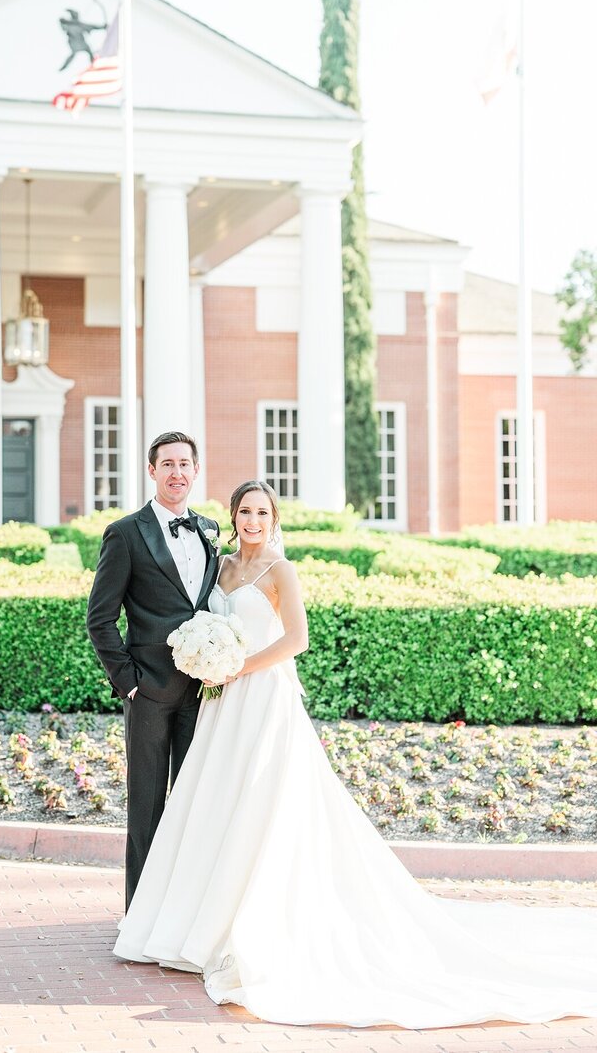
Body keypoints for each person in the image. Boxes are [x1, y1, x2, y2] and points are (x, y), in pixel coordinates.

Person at [114, 480, 597, 1029]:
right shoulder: (220, 567)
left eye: (262, 513)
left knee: (258, 804)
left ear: (274, 520)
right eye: (245, 512)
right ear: (232, 517)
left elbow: (297, 639)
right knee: (212, 801)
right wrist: (208, 659)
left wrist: (237, 666)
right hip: (220, 701)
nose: (253, 521)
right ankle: (192, 918)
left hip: (261, 696)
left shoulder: (280, 571)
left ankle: (244, 924)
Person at [87, 431, 221, 909]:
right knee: (146, 807)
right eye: (167, 464)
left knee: (190, 804)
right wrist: (129, 684)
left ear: (196, 470)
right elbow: (100, 618)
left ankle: (181, 912)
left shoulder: (210, 529)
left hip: (202, 691)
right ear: (151, 471)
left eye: (185, 464)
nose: (177, 473)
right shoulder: (125, 533)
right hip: (148, 690)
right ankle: (140, 914)